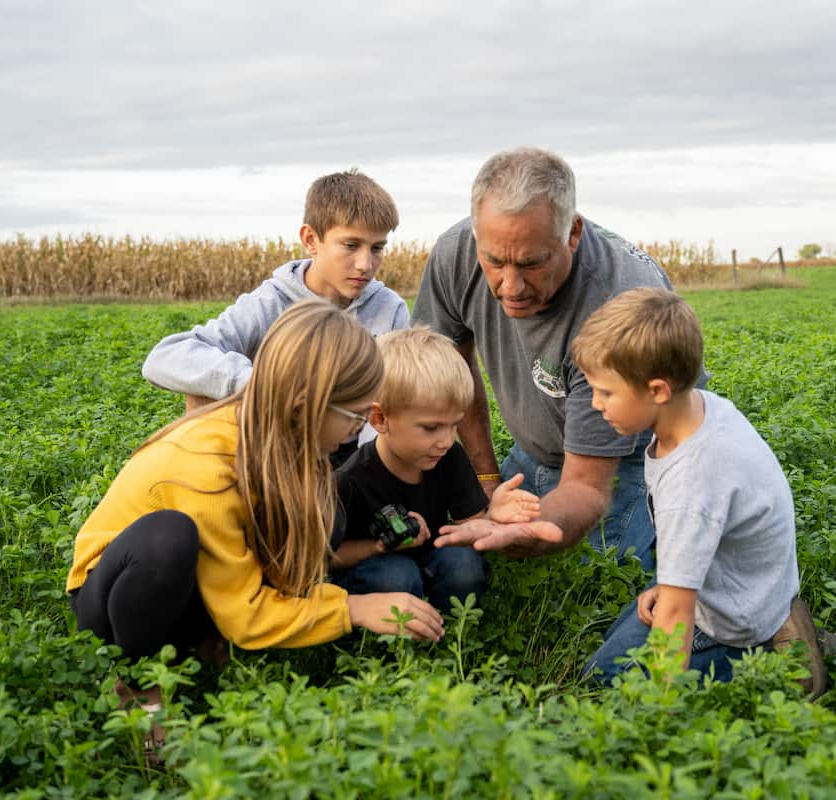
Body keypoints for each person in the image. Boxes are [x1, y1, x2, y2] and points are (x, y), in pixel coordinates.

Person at [66, 300, 443, 759]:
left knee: (328, 508)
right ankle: (143, 691)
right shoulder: (203, 465)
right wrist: (354, 608)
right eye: (354, 417)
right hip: (116, 593)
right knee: (168, 541)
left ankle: (199, 644)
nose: (356, 433)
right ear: (306, 406)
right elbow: (244, 615)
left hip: (201, 577)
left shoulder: (282, 431)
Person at [414, 147, 700, 571]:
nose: (510, 286)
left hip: (627, 459)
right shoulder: (456, 253)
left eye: (532, 264)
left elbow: (585, 487)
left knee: (598, 578)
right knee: (453, 552)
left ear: (573, 232)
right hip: (537, 452)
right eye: (494, 261)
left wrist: (528, 530)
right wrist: (486, 483)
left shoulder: (614, 305)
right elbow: (448, 370)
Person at [573, 288, 824, 694]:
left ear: (657, 390)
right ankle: (773, 617)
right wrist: (669, 586)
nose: (595, 403)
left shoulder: (692, 483)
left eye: (606, 392)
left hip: (733, 619)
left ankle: (771, 652)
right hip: (747, 580)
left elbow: (675, 614)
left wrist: (664, 708)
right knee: (630, 628)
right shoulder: (703, 409)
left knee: (601, 678)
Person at [141, 169, 409, 421]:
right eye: (351, 245)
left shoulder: (389, 309)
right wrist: (267, 388)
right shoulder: (270, 303)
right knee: (202, 394)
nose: (365, 264)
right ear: (310, 240)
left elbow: (394, 400)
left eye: (376, 248)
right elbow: (165, 357)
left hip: (357, 447)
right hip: (280, 440)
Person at [330, 328, 540, 612]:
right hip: (375, 564)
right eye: (431, 428)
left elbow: (469, 527)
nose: (446, 440)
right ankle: (399, 640)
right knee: (396, 576)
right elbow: (331, 556)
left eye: (454, 425)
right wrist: (380, 546)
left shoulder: (450, 457)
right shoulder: (349, 481)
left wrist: (493, 517)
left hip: (433, 554)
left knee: (463, 565)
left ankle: (450, 631)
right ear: (379, 418)